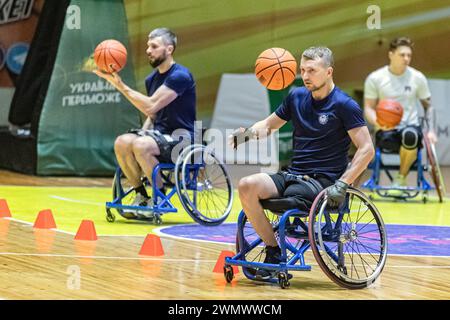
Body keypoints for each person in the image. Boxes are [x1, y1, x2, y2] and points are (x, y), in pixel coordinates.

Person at [230, 47, 374, 279]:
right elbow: (268, 125)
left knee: (292, 193)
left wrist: (343, 183)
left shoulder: (344, 105)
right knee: (247, 185)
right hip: (294, 174)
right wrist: (245, 134)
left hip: (324, 182)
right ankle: (274, 251)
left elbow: (367, 149)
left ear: (328, 72)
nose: (306, 76)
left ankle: (276, 251)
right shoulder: (296, 96)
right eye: (302, 70)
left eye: (312, 70)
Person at [93, 27, 196, 210]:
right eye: (148, 46)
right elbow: (152, 114)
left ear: (169, 49)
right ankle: (141, 194)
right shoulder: (151, 80)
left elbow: (151, 105)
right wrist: (144, 131)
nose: (148, 50)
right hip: (160, 137)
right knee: (122, 142)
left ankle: (159, 197)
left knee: (141, 145)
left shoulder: (180, 76)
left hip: (182, 139)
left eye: (154, 46)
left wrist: (120, 86)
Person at [364, 37, 436, 195]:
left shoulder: (417, 77)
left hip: (409, 127)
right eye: (402, 55)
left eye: (409, 55)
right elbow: (368, 108)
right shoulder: (376, 78)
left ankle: (400, 179)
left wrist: (431, 130)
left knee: (410, 135)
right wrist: (378, 121)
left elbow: (428, 106)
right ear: (391, 54)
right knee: (401, 137)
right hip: (386, 129)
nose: (406, 59)